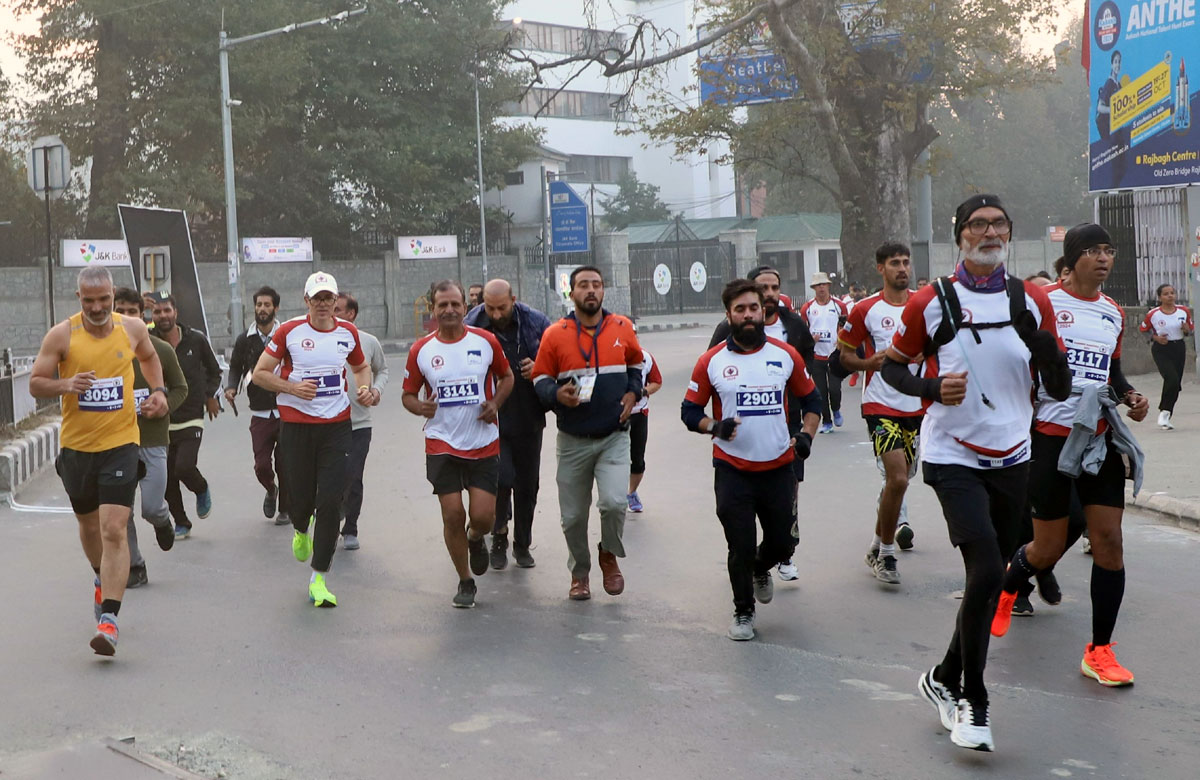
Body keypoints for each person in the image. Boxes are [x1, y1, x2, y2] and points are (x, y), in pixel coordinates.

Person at [882, 194, 1070, 751]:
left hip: (1013, 455)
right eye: (978, 224)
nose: (990, 232)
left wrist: (1040, 344)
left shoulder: (1029, 299)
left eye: (999, 224)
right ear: (961, 234)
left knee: (989, 575)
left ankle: (942, 677)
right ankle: (973, 701)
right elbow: (894, 368)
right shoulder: (931, 301)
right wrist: (930, 388)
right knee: (987, 568)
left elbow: (1058, 387)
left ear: (1009, 232)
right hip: (952, 455)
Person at [991, 224, 1148, 688]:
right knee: (1047, 546)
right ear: (1074, 258)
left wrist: (1132, 395)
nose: (1104, 258)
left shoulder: (1113, 313)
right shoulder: (1046, 305)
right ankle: (1009, 584)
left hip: (1098, 439)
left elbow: (1112, 373)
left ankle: (1098, 651)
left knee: (1110, 543)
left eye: (1109, 250)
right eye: (1094, 251)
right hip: (1049, 437)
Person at [29, 266, 169, 656]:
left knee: (114, 529)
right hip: (77, 448)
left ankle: (109, 619)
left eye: (103, 300)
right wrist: (65, 385)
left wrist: (158, 391)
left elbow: (150, 358)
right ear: (79, 299)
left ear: (112, 296)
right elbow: (36, 381)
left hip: (121, 442)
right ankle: (99, 576)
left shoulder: (133, 328)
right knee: (90, 528)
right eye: (89, 301)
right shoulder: (62, 335)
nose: (97, 307)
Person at [682, 279, 821, 640]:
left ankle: (762, 566)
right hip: (733, 470)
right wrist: (715, 426)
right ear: (728, 316)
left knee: (783, 544)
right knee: (739, 545)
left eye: (753, 308)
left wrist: (806, 435)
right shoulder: (711, 362)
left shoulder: (784, 355)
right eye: (739, 309)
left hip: (778, 468)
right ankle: (743, 611)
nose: (748, 314)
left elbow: (812, 402)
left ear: (764, 311)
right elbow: (688, 411)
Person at [252, 271, 374, 608]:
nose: (323, 304)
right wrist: (292, 388)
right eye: (316, 298)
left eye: (328, 298)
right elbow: (260, 374)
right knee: (301, 499)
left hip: (336, 427)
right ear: (306, 301)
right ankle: (301, 528)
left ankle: (319, 577)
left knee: (332, 500)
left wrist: (364, 388)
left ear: (336, 302)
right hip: (296, 428)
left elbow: (361, 367)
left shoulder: (347, 333)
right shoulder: (289, 332)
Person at [532, 266, 643, 600]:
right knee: (572, 517)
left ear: (604, 291)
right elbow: (539, 379)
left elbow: (636, 365)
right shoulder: (555, 334)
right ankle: (580, 572)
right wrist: (556, 395)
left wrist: (632, 392)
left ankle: (608, 554)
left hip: (614, 437)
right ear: (572, 293)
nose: (591, 290)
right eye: (583, 285)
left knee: (612, 503)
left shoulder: (622, 327)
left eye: (596, 284)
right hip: (573, 440)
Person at [403, 280, 514, 607]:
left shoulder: (486, 341)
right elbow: (408, 395)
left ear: (465, 307)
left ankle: (475, 536)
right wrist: (419, 406)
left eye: (455, 304)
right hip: (441, 443)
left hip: (482, 442)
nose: (449, 310)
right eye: (442, 305)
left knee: (482, 517)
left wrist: (496, 405)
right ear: (433, 309)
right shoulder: (421, 350)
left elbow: (506, 377)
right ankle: (465, 580)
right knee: (452, 514)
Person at [709, 265, 816, 582]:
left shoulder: (792, 325)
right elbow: (711, 371)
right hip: (740, 434)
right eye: (763, 288)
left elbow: (805, 362)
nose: (770, 294)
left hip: (787, 421)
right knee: (739, 512)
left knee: (788, 492)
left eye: (774, 287)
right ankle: (750, 561)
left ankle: (783, 553)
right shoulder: (728, 329)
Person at [836, 243, 922, 582]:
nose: (902, 268)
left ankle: (875, 545)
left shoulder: (924, 304)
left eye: (905, 262)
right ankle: (887, 556)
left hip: (916, 406)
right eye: (894, 263)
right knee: (897, 478)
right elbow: (843, 356)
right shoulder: (864, 309)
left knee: (900, 483)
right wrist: (866, 362)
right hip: (880, 404)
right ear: (880, 269)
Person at [464, 279, 551, 570]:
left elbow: (557, 358)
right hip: (491, 416)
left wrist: (539, 365)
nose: (496, 314)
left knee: (528, 485)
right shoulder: (472, 324)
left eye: (502, 308)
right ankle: (499, 534)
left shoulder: (535, 322)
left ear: (514, 299)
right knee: (501, 480)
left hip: (528, 414)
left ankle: (522, 543)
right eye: (490, 308)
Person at [112, 288, 188, 588]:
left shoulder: (160, 350)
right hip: (116, 442)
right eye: (122, 311)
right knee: (121, 511)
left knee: (152, 506)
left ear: (143, 315)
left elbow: (181, 388)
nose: (128, 317)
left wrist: (164, 403)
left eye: (134, 311)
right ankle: (135, 565)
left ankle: (163, 521)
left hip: (153, 439)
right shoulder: (104, 351)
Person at [150, 291, 222, 539]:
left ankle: (201, 488)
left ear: (176, 313)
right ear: (152, 315)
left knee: (184, 466)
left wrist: (211, 396)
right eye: (157, 312)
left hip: (192, 414)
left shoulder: (196, 340)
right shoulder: (147, 342)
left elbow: (215, 372)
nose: (163, 316)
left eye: (167, 310)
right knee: (166, 475)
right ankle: (181, 521)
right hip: (160, 418)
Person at [225, 286, 290, 526]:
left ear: (276, 308)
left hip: (286, 409)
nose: (262, 309)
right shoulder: (245, 339)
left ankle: (285, 509)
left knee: (286, 464)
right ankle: (270, 489)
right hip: (260, 413)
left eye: (267, 305)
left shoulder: (286, 335)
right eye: (259, 305)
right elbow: (235, 368)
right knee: (262, 465)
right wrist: (231, 387)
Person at [332, 292, 387, 551]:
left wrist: (375, 391)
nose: (332, 314)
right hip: (328, 423)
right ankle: (332, 518)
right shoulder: (321, 341)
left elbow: (382, 370)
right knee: (331, 477)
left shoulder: (368, 342)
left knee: (353, 475)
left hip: (359, 424)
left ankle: (350, 527)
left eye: (338, 310)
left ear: (351, 314)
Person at [800, 272, 848, 433]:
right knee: (821, 391)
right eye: (818, 285)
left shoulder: (839, 305)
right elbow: (803, 332)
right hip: (816, 356)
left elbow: (847, 326)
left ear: (828, 286)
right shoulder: (808, 308)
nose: (821, 288)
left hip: (834, 355)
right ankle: (827, 422)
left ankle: (836, 409)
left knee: (834, 389)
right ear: (814, 288)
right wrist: (810, 340)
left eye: (823, 284)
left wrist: (842, 339)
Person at [1140, 283, 1193, 430]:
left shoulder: (1183, 311)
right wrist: (1155, 338)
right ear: (1160, 297)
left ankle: (1167, 412)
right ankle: (1163, 412)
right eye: (1166, 294)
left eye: (1172, 293)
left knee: (1175, 384)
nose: (1170, 296)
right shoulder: (1154, 314)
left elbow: (1190, 331)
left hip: (1178, 348)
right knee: (1171, 378)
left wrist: (1187, 330)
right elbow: (1143, 329)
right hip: (1162, 349)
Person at [626, 344, 663, 513]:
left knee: (637, 459)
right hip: (614, 416)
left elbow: (657, 381)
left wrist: (643, 391)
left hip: (639, 414)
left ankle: (631, 492)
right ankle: (616, 496)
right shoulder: (608, 355)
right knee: (613, 459)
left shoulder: (645, 357)